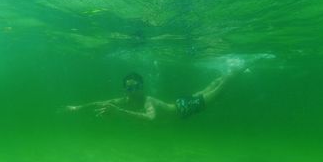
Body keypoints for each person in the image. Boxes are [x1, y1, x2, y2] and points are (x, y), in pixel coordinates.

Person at [66, 71, 239, 121]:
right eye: (129, 88)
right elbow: (102, 102)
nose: (132, 91)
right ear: (125, 90)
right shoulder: (125, 99)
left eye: (136, 87)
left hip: (184, 109)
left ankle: (235, 71)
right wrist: (78, 107)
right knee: (208, 88)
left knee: (219, 90)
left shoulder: (148, 101)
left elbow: (151, 118)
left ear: (142, 87)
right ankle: (228, 72)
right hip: (178, 103)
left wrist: (119, 112)